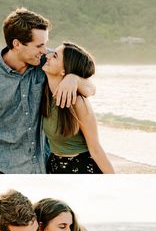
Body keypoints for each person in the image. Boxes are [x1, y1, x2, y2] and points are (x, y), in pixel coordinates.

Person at [0, 8, 95, 174]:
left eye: (45, 44)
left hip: (46, 163)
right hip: (3, 167)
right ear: (17, 44)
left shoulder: (46, 62)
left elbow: (91, 88)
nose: (45, 50)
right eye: (39, 45)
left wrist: (74, 78)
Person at [42, 42, 115, 173]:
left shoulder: (78, 102)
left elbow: (96, 149)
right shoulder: (45, 93)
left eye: (55, 56)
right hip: (54, 166)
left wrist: (116, 182)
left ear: (64, 70)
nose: (47, 55)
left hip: (81, 168)